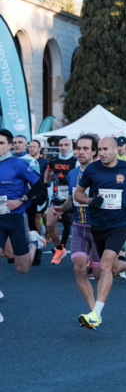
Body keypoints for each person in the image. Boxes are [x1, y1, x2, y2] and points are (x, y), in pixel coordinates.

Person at [73, 136, 126, 329]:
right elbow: (78, 194)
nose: (102, 153)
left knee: (105, 265)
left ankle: (95, 314)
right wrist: (90, 201)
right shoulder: (92, 169)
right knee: (113, 269)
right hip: (98, 225)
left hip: (120, 224)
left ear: (116, 150)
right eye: (99, 149)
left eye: (106, 149)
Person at [49, 134, 103, 313]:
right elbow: (72, 199)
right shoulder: (72, 174)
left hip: (99, 228)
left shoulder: (102, 173)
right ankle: (93, 311)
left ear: (94, 151)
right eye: (78, 148)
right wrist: (62, 208)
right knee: (79, 267)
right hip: (79, 226)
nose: (81, 152)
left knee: (98, 274)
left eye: (85, 148)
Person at [0, 129, 46, 323]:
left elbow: (39, 185)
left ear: (10, 146)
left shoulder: (19, 164)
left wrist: (21, 199)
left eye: (1, 143)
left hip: (16, 218)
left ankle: (34, 243)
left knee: (22, 268)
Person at [44, 137, 77, 264]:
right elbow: (48, 171)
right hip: (57, 198)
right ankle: (60, 248)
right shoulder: (54, 160)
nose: (63, 147)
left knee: (79, 228)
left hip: (71, 199)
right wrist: (46, 183)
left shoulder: (75, 161)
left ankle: (87, 257)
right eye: (61, 145)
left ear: (71, 146)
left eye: (66, 145)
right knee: (49, 224)